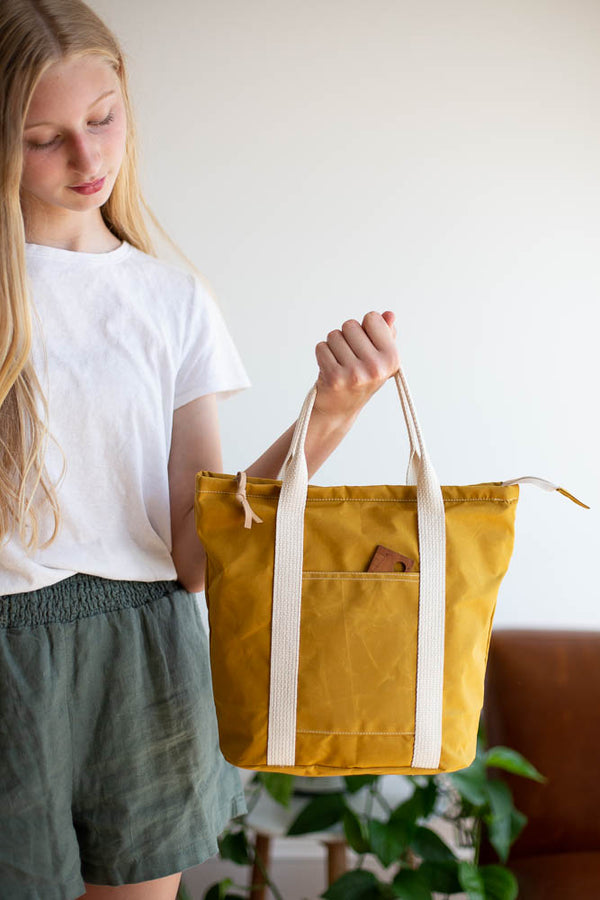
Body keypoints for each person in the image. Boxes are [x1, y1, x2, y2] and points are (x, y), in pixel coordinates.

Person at [0, 1, 399, 898]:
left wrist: (327, 418)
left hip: (145, 651)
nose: (88, 159)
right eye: (43, 137)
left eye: (102, 120)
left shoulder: (171, 300)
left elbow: (195, 551)